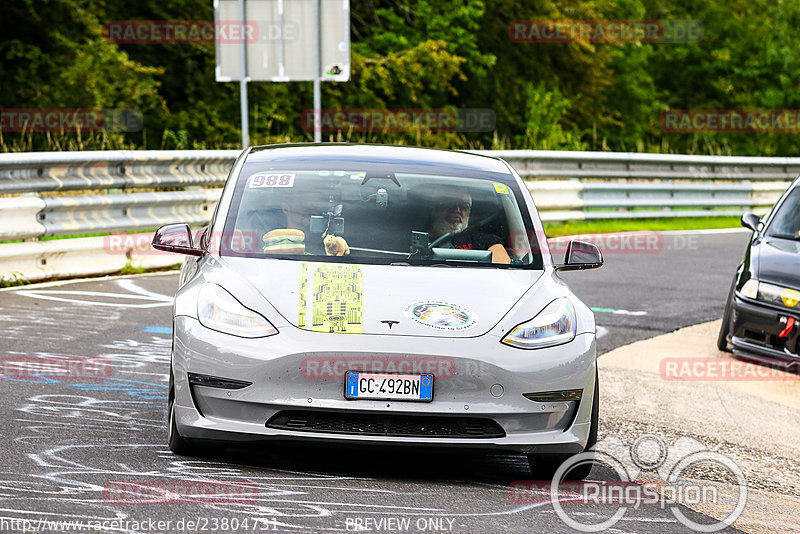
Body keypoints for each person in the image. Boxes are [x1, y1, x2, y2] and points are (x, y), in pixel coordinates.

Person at [428, 190, 511, 264]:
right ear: (434, 208)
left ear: (469, 213)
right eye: (449, 204)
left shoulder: (483, 241)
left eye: (464, 206)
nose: (457, 210)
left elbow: (501, 266)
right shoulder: (416, 239)